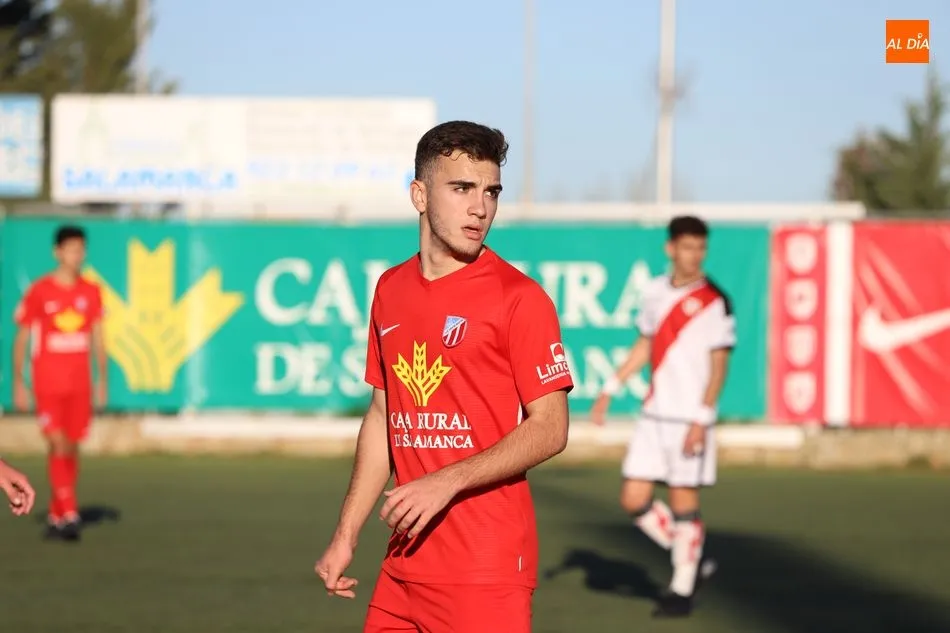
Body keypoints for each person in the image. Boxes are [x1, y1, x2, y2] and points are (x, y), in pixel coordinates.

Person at [314, 121, 574, 633]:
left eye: (491, 192)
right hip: (402, 567)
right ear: (419, 195)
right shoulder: (390, 288)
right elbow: (383, 416)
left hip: (484, 571)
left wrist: (447, 481)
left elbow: (551, 427)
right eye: (462, 188)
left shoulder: (520, 298)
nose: (480, 208)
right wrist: (346, 534)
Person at [590, 215, 735, 618]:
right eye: (687, 247)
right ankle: (691, 558)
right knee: (633, 498)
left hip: (689, 420)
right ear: (670, 248)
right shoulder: (655, 292)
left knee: (683, 501)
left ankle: (681, 590)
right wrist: (610, 387)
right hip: (654, 415)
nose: (694, 255)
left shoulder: (715, 302)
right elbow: (645, 346)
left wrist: (702, 419)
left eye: (700, 247)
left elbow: (719, 367)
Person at [12, 224, 107, 541]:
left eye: (81, 249)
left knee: (72, 446)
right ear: (57, 252)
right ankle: (69, 511)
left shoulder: (91, 291)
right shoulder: (40, 290)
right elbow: (22, 337)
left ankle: (56, 513)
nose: (76, 255)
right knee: (57, 442)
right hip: (47, 382)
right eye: (71, 249)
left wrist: (102, 379)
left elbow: (98, 337)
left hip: (80, 383)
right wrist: (18, 380)